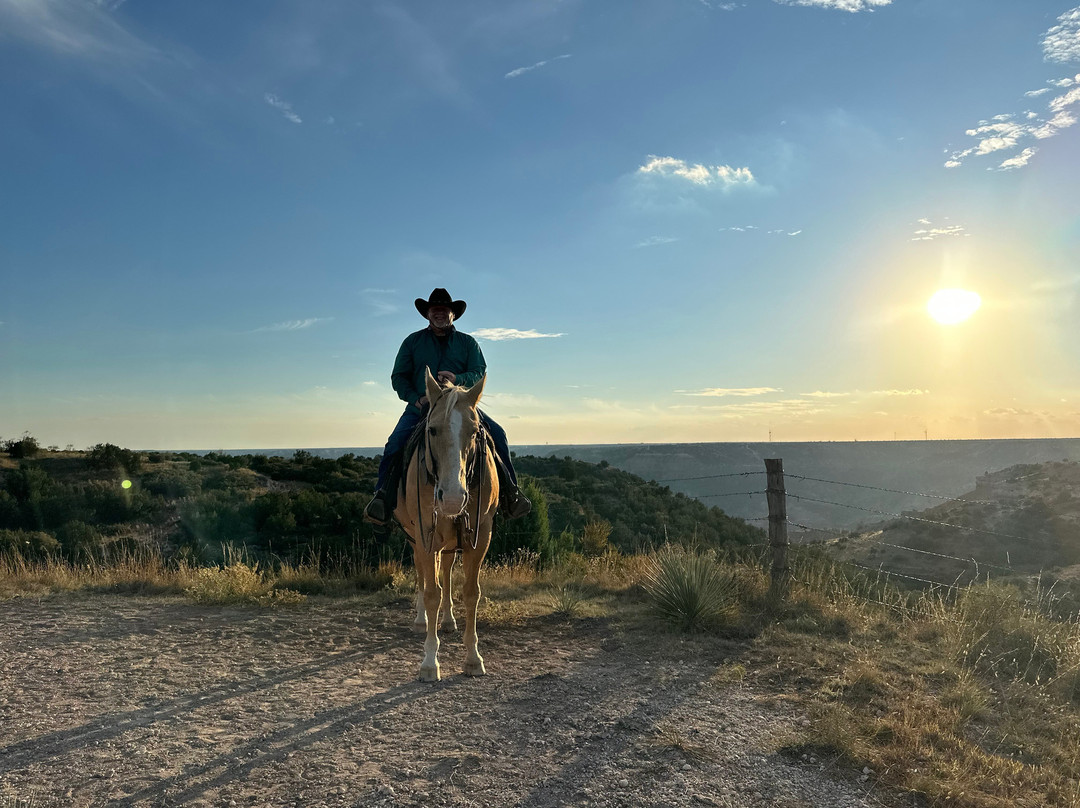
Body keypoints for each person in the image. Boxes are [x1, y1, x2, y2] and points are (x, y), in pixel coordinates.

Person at [364, 288, 532, 528]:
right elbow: (398, 377)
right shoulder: (412, 342)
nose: (439, 313)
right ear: (428, 314)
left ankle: (510, 494)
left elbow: (478, 371)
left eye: (444, 310)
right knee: (394, 444)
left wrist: (458, 378)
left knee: (498, 435)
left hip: (461, 407)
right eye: (435, 310)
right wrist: (416, 399)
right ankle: (382, 497)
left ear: (453, 314)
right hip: (421, 407)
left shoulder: (467, 342)